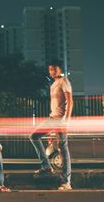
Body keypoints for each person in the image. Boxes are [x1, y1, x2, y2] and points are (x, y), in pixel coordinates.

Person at [29, 60, 74, 191]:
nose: (52, 72)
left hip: (60, 120)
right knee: (34, 136)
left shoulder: (64, 81)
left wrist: (67, 120)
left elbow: (70, 101)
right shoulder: (53, 83)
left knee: (63, 148)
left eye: (54, 69)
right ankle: (46, 166)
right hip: (52, 118)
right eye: (50, 70)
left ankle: (67, 182)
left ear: (60, 69)